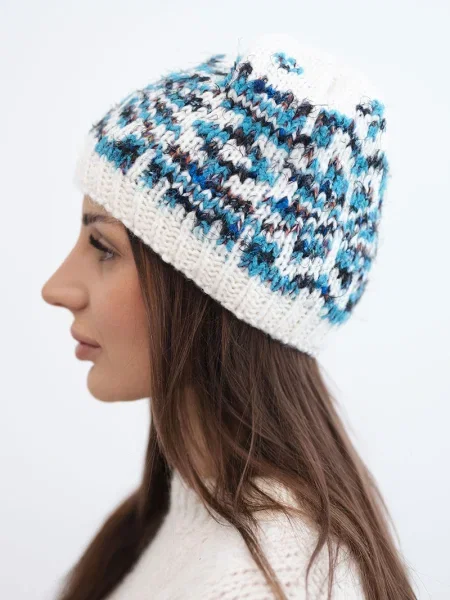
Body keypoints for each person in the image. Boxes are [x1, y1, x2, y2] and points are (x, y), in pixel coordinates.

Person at [41, 33, 416, 600]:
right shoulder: (181, 518)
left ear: (212, 295)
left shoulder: (260, 580)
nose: (57, 289)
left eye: (103, 248)